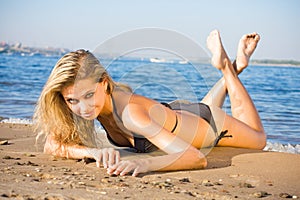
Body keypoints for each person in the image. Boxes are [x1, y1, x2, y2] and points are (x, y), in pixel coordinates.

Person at [34, 30, 266, 176]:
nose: (82, 108)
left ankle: (227, 66)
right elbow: (51, 146)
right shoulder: (89, 104)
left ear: (104, 83)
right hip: (176, 114)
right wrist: (94, 152)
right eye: (72, 100)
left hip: (210, 124)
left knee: (258, 139)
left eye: (87, 96)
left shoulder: (131, 115)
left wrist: (144, 164)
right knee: (204, 107)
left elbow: (195, 157)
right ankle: (236, 67)